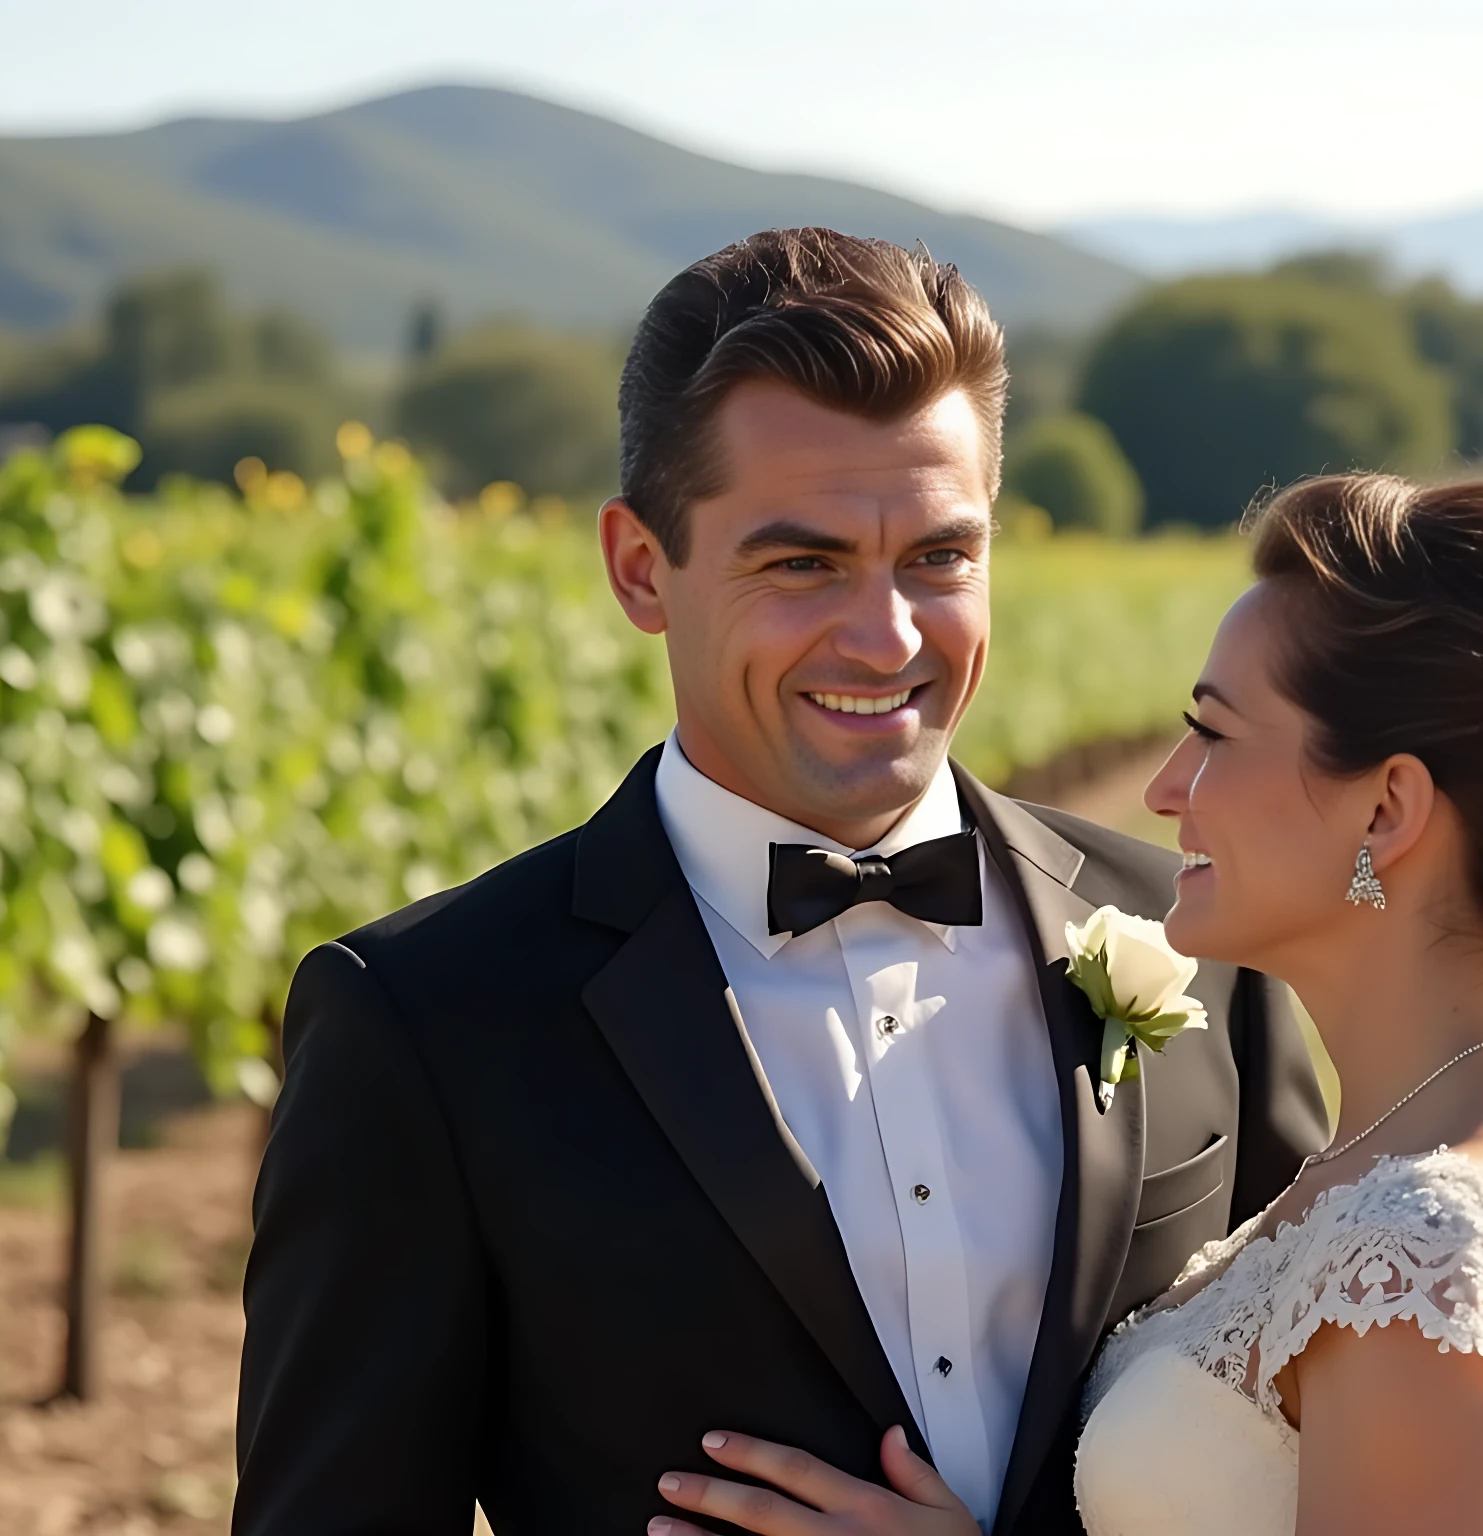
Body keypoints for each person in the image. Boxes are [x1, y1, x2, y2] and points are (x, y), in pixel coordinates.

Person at [231, 227, 1330, 1536]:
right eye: (802, 563)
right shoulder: (425, 1024)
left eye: (940, 556)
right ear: (643, 569)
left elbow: (1340, 1475)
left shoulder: (1204, 941)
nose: (889, 638)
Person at [653, 476, 1483, 1536]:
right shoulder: (1412, 1152)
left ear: (1385, 809)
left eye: (1214, 734)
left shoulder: (1432, 1248)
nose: (1166, 789)